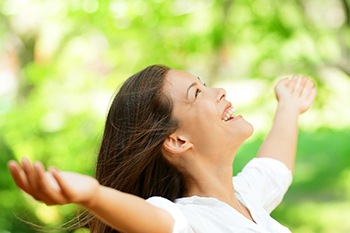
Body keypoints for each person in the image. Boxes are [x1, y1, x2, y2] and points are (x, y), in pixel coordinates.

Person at [8, 64, 316, 233]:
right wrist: (92, 195)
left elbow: (275, 168)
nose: (219, 91)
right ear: (177, 140)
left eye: (203, 83)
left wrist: (289, 106)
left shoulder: (247, 197)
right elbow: (156, 222)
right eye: (198, 93)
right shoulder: (189, 219)